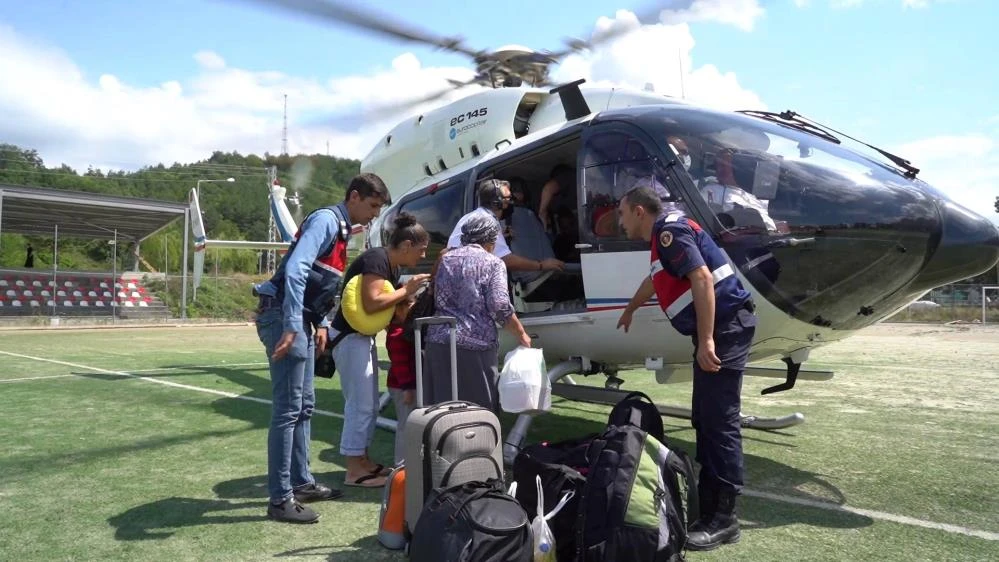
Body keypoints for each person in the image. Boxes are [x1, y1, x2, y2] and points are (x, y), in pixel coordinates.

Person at [615, 186, 756, 551]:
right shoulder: (664, 239)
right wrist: (630, 308)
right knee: (705, 418)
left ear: (640, 211)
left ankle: (724, 519)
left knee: (718, 421)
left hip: (724, 329)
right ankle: (709, 506)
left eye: (622, 213)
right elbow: (654, 280)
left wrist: (707, 340)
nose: (620, 220)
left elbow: (702, 278)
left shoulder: (669, 230)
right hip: (720, 329)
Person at [253, 172, 389, 524]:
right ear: (355, 197)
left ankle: (301, 482)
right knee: (287, 410)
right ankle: (280, 498)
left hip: (304, 321)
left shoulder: (344, 232)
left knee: (305, 406)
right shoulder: (328, 221)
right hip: (285, 316)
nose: (374, 214)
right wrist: (291, 323)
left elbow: (329, 283)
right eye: (372, 206)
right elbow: (297, 268)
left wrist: (324, 324)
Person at [328, 213, 430, 488]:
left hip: (361, 338)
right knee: (360, 405)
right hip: (350, 339)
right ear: (407, 245)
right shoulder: (377, 259)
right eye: (421, 250)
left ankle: (363, 461)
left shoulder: (390, 267)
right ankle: (353, 470)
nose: (422, 256)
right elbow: (373, 303)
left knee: (369, 405)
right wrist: (406, 289)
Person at [426, 215, 532, 411]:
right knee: (478, 411)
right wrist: (521, 334)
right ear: (491, 240)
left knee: (442, 411)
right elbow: (499, 305)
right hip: (475, 346)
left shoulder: (446, 259)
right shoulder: (493, 263)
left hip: (439, 342)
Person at [447, 178, 564, 274]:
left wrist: (499, 237)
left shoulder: (471, 216)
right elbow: (506, 260)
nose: (511, 204)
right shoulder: (488, 221)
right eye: (508, 199)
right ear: (496, 203)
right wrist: (541, 265)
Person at [385, 296, 417, 465]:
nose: (414, 311)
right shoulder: (398, 334)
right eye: (410, 306)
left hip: (407, 385)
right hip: (402, 387)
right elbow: (400, 364)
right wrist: (407, 388)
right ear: (397, 309)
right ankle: (401, 464)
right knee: (405, 425)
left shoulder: (406, 330)